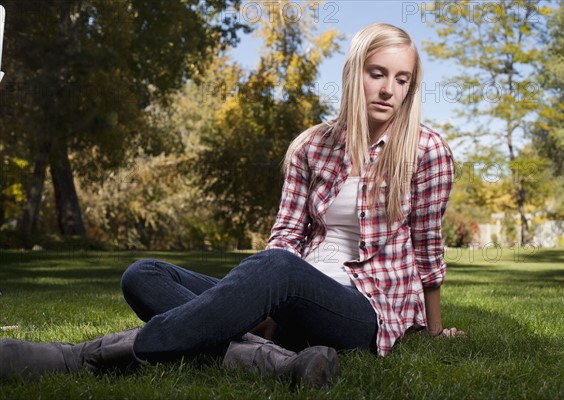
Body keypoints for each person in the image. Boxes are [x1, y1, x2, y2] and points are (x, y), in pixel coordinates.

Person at [0, 23, 462, 387]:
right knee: (144, 275)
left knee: (277, 268)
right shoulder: (312, 146)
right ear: (353, 72)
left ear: (411, 87)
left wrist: (434, 330)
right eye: (377, 73)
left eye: (402, 80)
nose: (388, 90)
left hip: (361, 309)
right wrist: (259, 305)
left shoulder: (425, 150)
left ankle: (84, 356)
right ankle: (273, 362)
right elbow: (285, 233)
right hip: (287, 297)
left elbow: (427, 250)